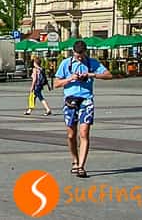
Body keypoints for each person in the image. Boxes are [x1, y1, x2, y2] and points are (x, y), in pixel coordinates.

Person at [53, 39, 112, 179]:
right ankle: (75, 160)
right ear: (73, 52)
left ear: (85, 52)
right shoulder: (66, 64)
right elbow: (55, 83)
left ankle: (81, 166)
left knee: (84, 132)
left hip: (86, 100)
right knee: (71, 135)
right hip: (70, 100)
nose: (79, 58)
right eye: (77, 55)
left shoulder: (92, 63)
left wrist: (92, 74)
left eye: (81, 55)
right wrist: (70, 79)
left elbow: (109, 75)